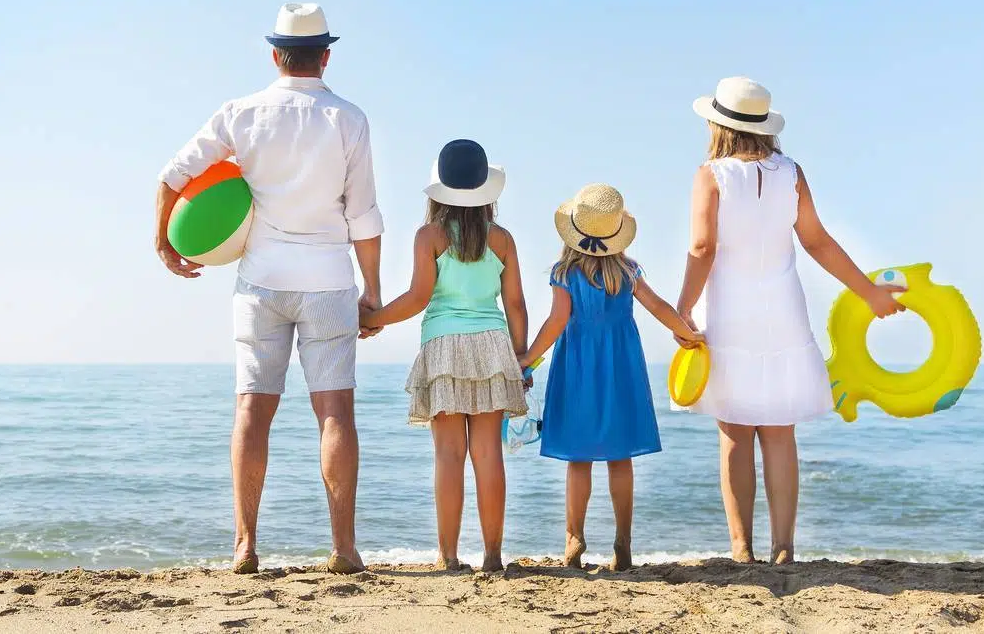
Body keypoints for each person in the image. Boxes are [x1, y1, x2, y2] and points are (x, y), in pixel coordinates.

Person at [155, 3, 383, 575]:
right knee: (335, 414)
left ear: (275, 54)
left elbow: (172, 175)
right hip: (330, 280)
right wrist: (373, 292)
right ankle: (344, 548)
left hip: (260, 282)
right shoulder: (349, 119)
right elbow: (364, 216)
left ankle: (245, 545)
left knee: (252, 412)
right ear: (326, 55)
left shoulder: (241, 113)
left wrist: (164, 244)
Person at [674, 77, 905, 565]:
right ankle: (784, 548)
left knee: (735, 431)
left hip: (733, 312)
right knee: (779, 431)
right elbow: (817, 240)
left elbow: (702, 247)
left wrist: (682, 308)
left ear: (718, 126)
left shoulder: (710, 174)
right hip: (783, 311)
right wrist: (868, 293)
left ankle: (741, 549)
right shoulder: (792, 172)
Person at [360, 140, 528, 573]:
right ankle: (493, 556)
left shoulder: (429, 236)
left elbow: (418, 298)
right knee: (488, 454)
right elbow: (516, 306)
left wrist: (376, 318)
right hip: (492, 344)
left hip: (444, 346)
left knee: (448, 456)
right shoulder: (503, 240)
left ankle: (449, 557)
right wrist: (520, 357)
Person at [520, 184, 702, 572]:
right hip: (622, 366)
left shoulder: (564, 273)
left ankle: (574, 537)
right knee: (620, 457)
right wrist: (687, 333)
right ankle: (623, 541)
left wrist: (527, 360)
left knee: (578, 457)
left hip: (577, 367)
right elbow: (657, 306)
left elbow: (555, 323)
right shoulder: (628, 270)